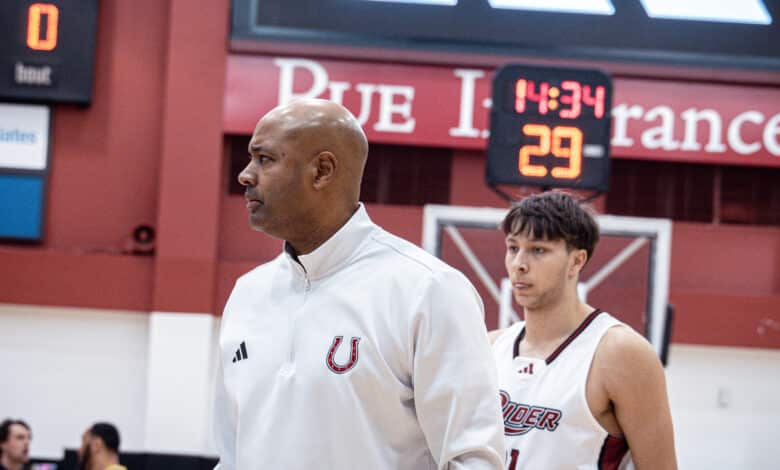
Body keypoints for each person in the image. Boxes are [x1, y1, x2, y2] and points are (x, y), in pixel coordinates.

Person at [213, 99, 505, 469]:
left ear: (321, 171)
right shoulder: (247, 294)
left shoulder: (428, 290)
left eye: (265, 159)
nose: (245, 174)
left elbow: (473, 458)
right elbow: (231, 454)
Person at [489, 191, 677, 469]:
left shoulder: (620, 353)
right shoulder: (491, 345)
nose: (519, 264)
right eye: (513, 248)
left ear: (576, 261)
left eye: (538, 249)